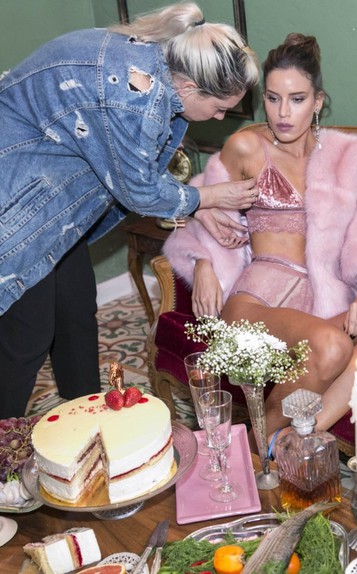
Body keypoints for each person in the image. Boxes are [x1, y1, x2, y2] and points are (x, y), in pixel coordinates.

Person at [163, 33, 357, 450]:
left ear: (318, 101)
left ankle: (297, 435)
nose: (283, 113)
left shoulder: (353, 157)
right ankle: (260, 445)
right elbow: (201, 201)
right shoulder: (246, 147)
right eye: (272, 98)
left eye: (297, 99)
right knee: (332, 344)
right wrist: (202, 262)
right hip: (257, 304)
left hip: (322, 307)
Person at [0, 2, 260, 418]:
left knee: (76, 310)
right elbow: (139, 189)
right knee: (28, 334)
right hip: (16, 200)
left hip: (53, 198)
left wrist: (194, 208)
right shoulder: (136, 98)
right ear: (189, 87)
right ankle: (5, 437)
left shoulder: (153, 66)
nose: (220, 117)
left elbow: (130, 165)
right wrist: (209, 197)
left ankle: (86, 414)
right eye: (219, 107)